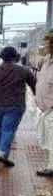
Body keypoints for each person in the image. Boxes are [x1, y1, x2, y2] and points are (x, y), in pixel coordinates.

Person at [36, 31, 53, 176]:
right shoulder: (47, 60)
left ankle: (51, 167)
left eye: (48, 44)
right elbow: (35, 61)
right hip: (46, 108)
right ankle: (50, 165)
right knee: (48, 138)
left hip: (52, 108)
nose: (45, 46)